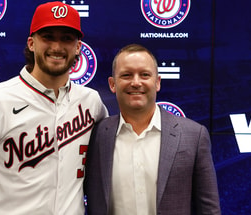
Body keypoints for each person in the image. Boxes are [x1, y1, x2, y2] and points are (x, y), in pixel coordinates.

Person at [0, 2, 108, 214]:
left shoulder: (91, 102)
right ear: (31, 43)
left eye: (66, 39)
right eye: (48, 37)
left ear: (78, 46)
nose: (57, 47)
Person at [84, 44, 221, 215]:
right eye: (126, 75)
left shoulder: (194, 136)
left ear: (157, 83)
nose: (135, 82)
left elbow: (209, 209)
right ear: (112, 84)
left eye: (145, 75)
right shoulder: (94, 137)